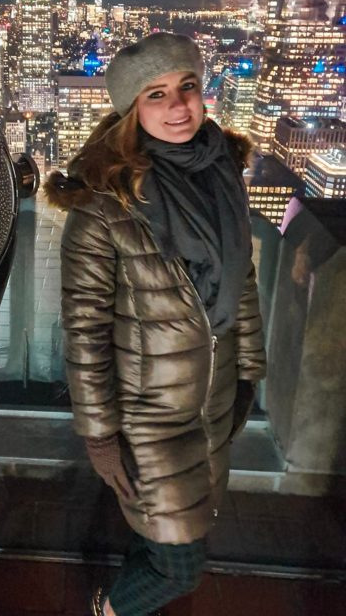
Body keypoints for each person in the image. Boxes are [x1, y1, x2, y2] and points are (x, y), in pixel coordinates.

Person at [45, 33, 266, 616]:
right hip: (147, 417)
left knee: (170, 537)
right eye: (157, 94)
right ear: (130, 111)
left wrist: (249, 374)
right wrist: (98, 435)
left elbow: (242, 282)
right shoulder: (103, 206)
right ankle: (107, 609)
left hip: (211, 401)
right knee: (182, 566)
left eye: (187, 87)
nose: (178, 106)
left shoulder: (223, 173)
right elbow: (85, 333)